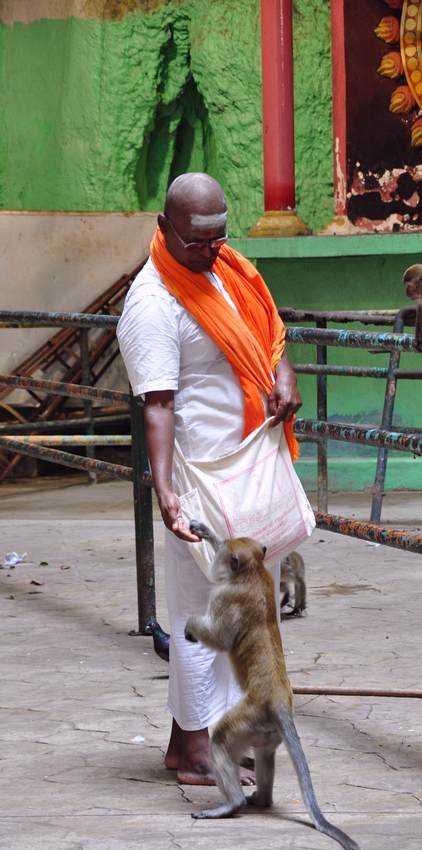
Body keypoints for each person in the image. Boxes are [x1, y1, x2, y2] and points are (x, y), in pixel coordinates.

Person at [117, 172, 302, 785]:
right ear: (165, 227)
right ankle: (199, 748)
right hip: (199, 478)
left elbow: (264, 330)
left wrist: (283, 371)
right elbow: (159, 405)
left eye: (219, 237)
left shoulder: (222, 267)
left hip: (241, 466)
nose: (211, 249)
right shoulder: (152, 303)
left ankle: (189, 740)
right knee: (204, 609)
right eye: (197, 241)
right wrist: (164, 490)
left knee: (236, 606)